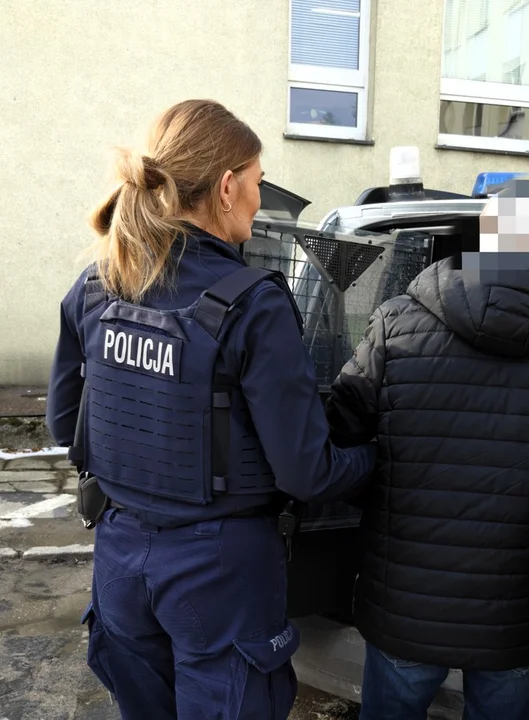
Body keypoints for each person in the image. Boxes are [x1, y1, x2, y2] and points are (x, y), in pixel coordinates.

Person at [44, 99, 376, 720]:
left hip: (120, 559)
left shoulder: (97, 284)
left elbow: (66, 424)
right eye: (256, 182)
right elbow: (308, 473)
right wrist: (380, 460)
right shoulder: (254, 304)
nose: (258, 197)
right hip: (220, 574)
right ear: (227, 188)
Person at [323, 179, 529, 720]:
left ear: (484, 241)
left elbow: (340, 433)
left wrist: (381, 481)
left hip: (406, 601)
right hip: (520, 613)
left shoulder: (396, 321)